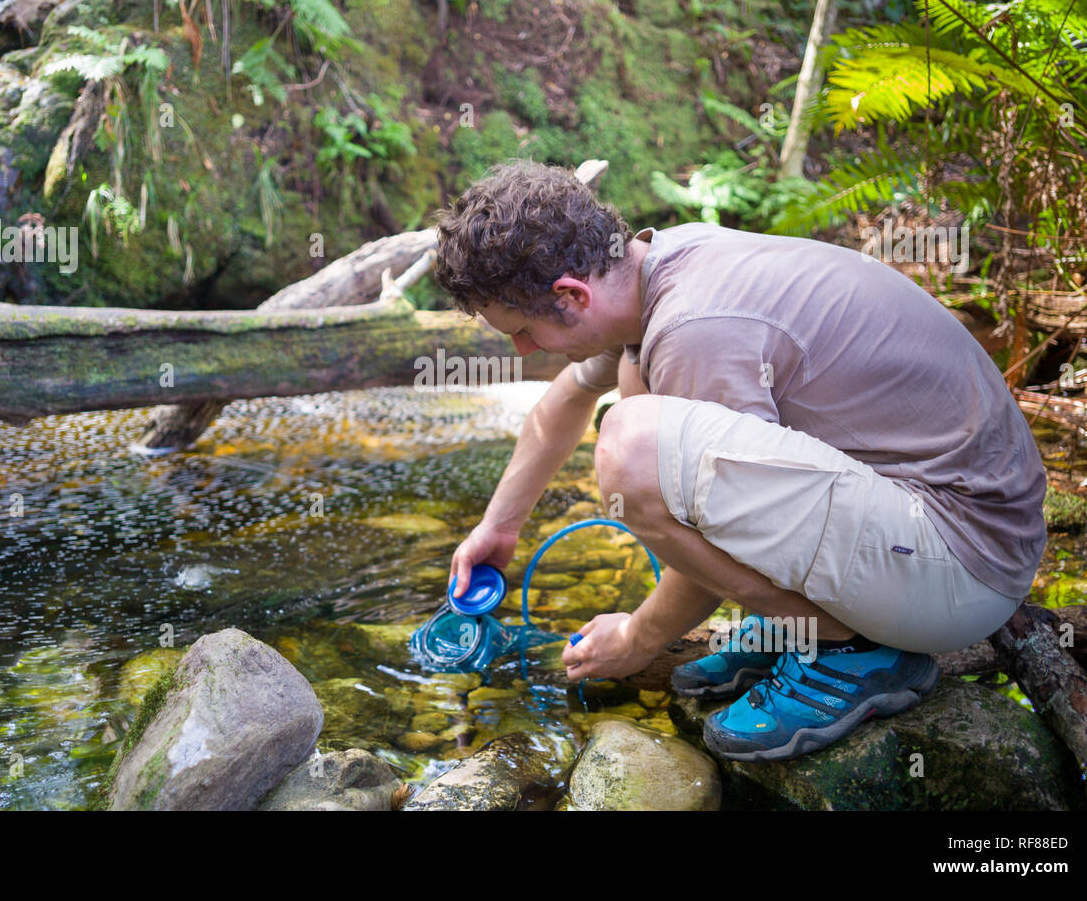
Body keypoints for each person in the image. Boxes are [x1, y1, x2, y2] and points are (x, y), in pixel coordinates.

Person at [433, 158, 1047, 762]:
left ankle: (849, 650)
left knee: (630, 446)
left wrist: (638, 637)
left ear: (570, 295)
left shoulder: (697, 327)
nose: (520, 348)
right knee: (632, 391)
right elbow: (561, 404)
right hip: (940, 532)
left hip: (963, 568)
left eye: (520, 330)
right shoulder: (659, 265)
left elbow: (712, 514)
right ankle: (805, 621)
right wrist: (499, 526)